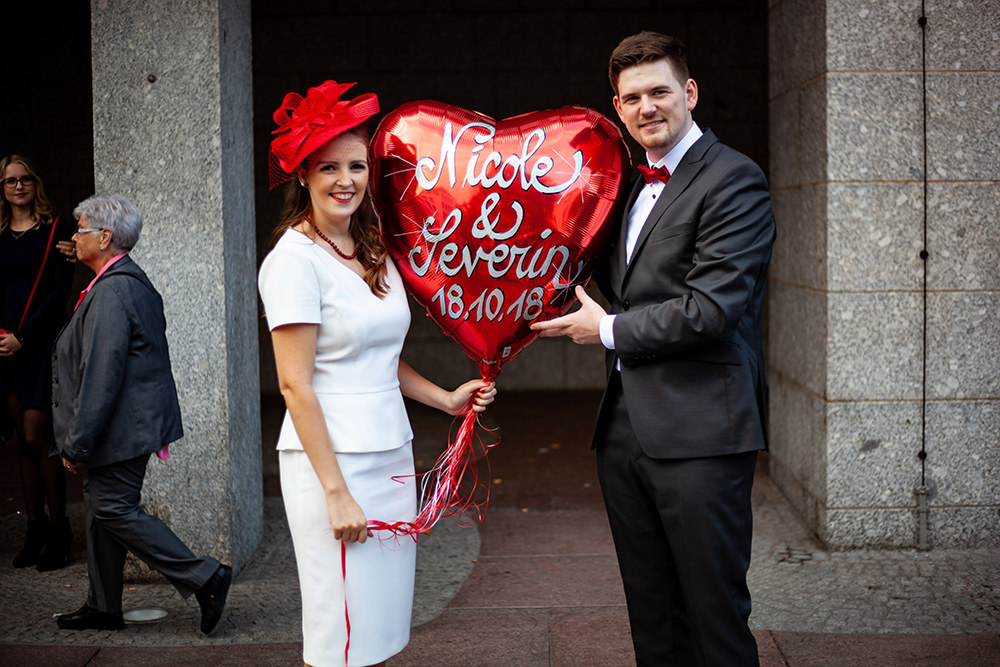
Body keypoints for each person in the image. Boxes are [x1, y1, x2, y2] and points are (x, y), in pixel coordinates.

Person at [532, 32, 776, 666]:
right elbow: (613, 284)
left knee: (715, 618)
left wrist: (606, 331)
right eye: (632, 97)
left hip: (702, 433)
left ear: (689, 93)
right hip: (623, 432)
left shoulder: (733, 179)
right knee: (652, 618)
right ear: (617, 105)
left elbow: (712, 310)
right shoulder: (627, 182)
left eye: (660, 91)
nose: (647, 107)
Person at [259, 80, 496, 667]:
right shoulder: (292, 261)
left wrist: (444, 399)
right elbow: (295, 384)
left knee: (382, 620)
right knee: (341, 622)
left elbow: (380, 360)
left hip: (390, 451)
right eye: (329, 167)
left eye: (358, 166)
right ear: (303, 176)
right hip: (332, 464)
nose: (346, 180)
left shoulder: (373, 249)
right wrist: (335, 495)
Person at [51, 194, 232, 634]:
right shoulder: (123, 282)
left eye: (81, 230)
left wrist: (76, 441)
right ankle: (104, 605)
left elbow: (102, 374)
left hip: (119, 430)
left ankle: (204, 576)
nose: (74, 238)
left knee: (112, 507)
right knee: (99, 510)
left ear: (105, 237)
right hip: (126, 427)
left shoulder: (114, 291)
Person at [0, 155, 75, 571]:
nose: (18, 186)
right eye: (10, 181)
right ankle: (35, 528)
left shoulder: (54, 230)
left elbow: (58, 292)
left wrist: (23, 338)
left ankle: (60, 530)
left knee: (38, 437)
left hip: (38, 343)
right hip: (4, 347)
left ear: (35, 183)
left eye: (25, 178)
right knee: (19, 440)